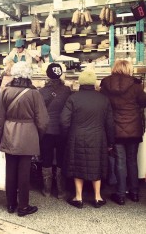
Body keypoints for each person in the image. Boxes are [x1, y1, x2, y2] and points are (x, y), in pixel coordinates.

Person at [0, 61, 49, 217]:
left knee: (10, 170)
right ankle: (23, 206)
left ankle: (11, 204)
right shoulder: (34, 93)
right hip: (28, 134)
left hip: (9, 133)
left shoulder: (5, 91)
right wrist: (39, 135)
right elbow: (43, 120)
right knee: (24, 173)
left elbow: (0, 118)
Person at [60, 69, 115, 209]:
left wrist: (67, 136)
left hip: (77, 136)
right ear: (94, 82)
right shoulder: (103, 99)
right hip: (98, 137)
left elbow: (63, 121)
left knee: (77, 165)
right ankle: (98, 197)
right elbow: (109, 123)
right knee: (97, 165)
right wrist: (111, 142)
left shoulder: (73, 98)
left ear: (81, 82)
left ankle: (78, 198)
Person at [100, 59, 146, 205]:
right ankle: (134, 193)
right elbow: (144, 102)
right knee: (132, 160)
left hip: (116, 128)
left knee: (120, 161)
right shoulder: (136, 85)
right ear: (129, 69)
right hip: (134, 128)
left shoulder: (106, 84)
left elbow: (103, 103)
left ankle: (120, 194)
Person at [39, 63, 71, 199]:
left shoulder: (42, 91)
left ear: (47, 75)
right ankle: (61, 191)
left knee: (46, 157)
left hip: (46, 130)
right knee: (61, 158)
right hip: (62, 130)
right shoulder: (67, 90)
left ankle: (47, 190)